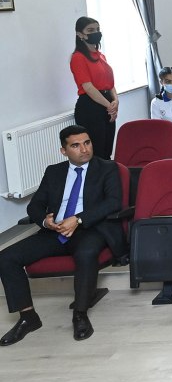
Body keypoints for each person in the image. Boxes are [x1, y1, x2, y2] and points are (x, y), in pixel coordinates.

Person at [0, 126, 126, 345]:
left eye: (87, 143)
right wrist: (45, 221)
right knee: (6, 257)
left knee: (86, 253)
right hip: (55, 231)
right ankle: (28, 318)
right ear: (63, 150)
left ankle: (80, 314)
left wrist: (78, 219)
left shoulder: (107, 168)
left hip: (89, 229)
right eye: (75, 145)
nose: (84, 149)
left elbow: (113, 202)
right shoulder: (54, 172)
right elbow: (35, 205)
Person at [69, 17, 117, 160]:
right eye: (90, 30)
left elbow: (110, 84)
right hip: (90, 107)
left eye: (97, 29)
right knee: (96, 152)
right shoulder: (78, 57)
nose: (95, 33)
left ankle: (107, 175)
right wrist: (109, 106)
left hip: (107, 104)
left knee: (107, 150)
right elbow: (88, 87)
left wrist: (115, 101)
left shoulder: (101, 56)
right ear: (80, 34)